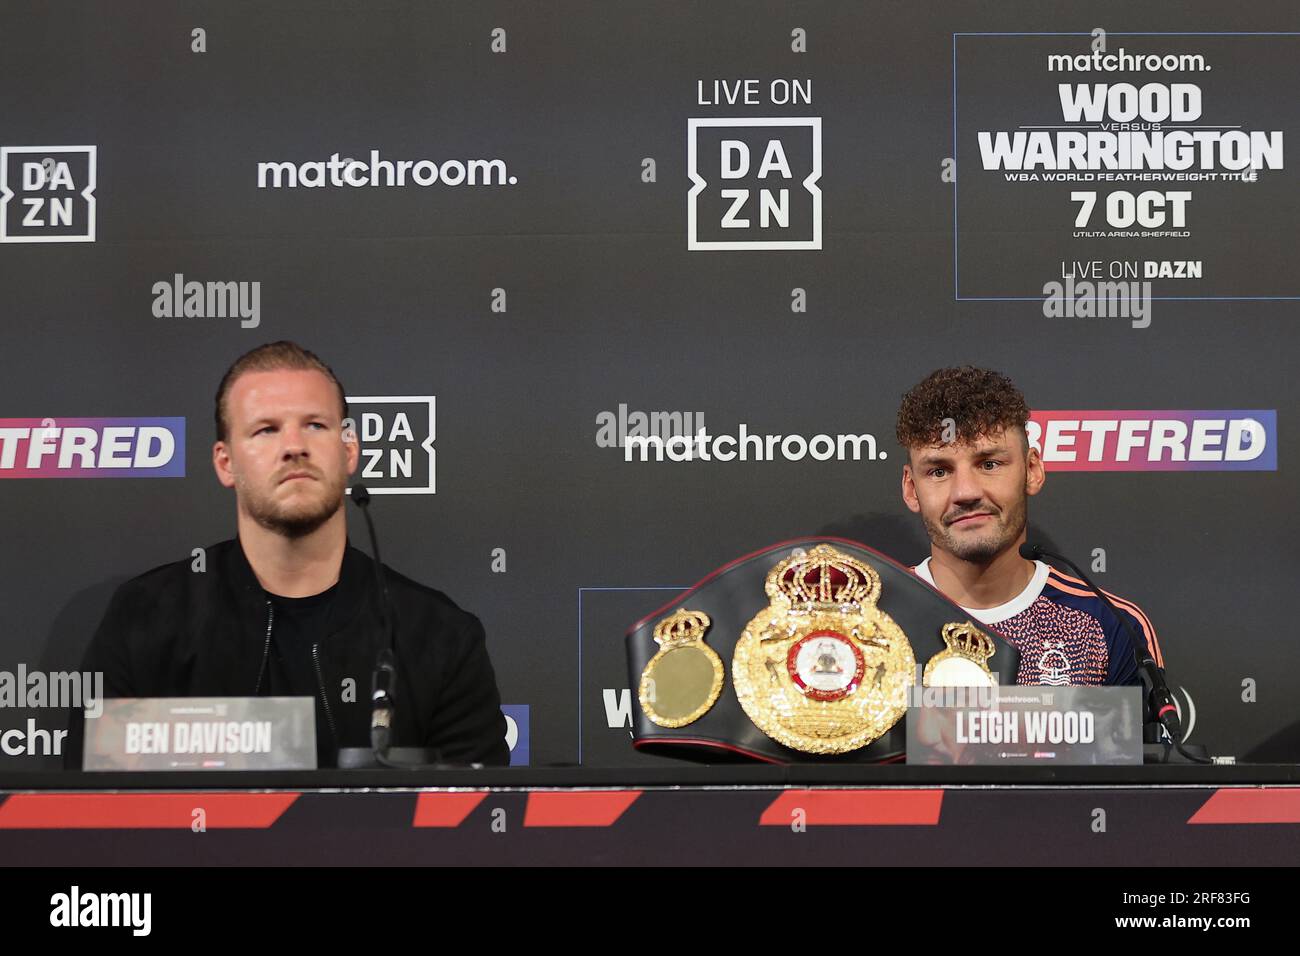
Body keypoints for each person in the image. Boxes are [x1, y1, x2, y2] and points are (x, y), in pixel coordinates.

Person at [71, 341, 508, 767]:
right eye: (266, 429)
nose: (294, 446)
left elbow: (474, 828)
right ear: (226, 464)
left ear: (349, 450)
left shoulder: (440, 636)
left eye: (316, 425)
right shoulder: (147, 617)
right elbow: (93, 815)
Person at [895, 365, 1163, 686]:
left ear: (1032, 470)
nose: (965, 492)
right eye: (939, 471)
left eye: (989, 464)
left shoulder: (1110, 626)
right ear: (911, 489)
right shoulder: (871, 624)